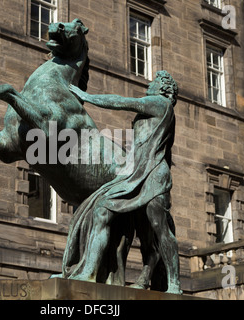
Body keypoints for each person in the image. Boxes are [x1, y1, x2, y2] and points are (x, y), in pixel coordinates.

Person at [62, 70, 181, 293]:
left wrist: (86, 97)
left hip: (153, 174)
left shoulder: (160, 103)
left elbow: (121, 102)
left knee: (158, 227)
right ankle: (89, 271)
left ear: (164, 89)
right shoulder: (159, 109)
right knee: (103, 209)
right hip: (136, 173)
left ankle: (174, 284)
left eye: (154, 81)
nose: (150, 82)